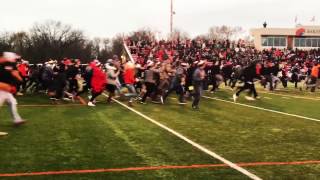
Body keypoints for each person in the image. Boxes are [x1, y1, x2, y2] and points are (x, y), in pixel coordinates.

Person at [0, 52, 26, 129]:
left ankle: (17, 120)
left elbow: (14, 75)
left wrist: (14, 84)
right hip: (1, 89)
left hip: (6, 89)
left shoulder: (9, 64)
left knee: (12, 102)